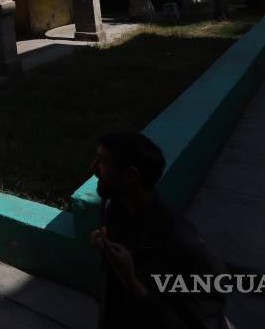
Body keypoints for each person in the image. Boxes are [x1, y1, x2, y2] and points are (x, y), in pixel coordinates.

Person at [89, 130, 228, 328]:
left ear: (130, 175)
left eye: (102, 161)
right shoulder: (112, 206)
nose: (93, 168)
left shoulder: (184, 246)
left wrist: (133, 284)